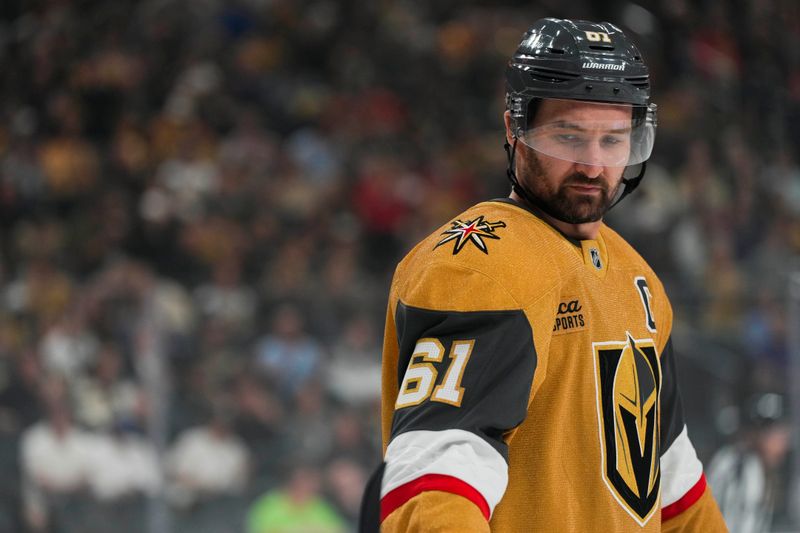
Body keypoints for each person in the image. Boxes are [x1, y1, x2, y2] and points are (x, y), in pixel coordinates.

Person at [360, 18, 727, 532]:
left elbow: (675, 489)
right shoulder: (478, 263)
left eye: (613, 140)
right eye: (568, 136)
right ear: (514, 128)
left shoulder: (637, 276)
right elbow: (435, 482)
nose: (594, 166)